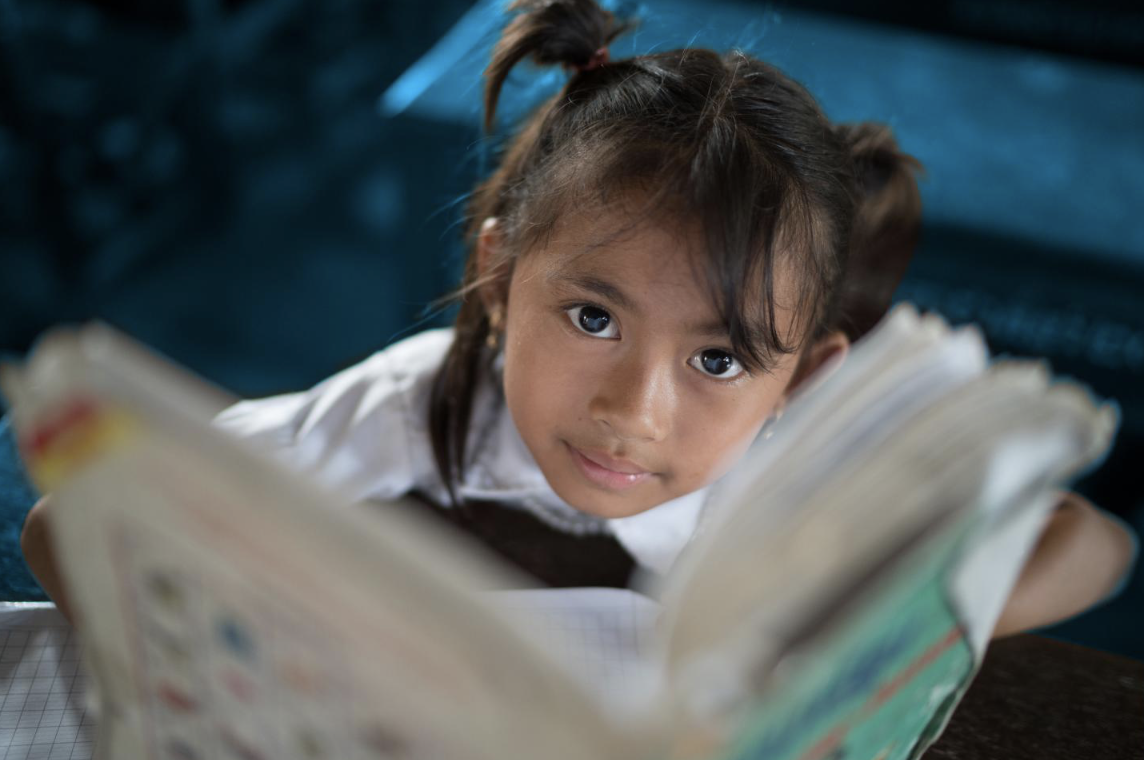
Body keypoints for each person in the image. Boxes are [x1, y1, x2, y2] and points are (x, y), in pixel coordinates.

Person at [20, 0, 1135, 638]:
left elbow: (1090, 544)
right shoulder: (420, 405)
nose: (631, 412)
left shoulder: (805, 461)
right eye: (594, 318)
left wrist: (928, 626)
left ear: (802, 378)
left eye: (716, 357)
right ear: (500, 273)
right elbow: (66, 525)